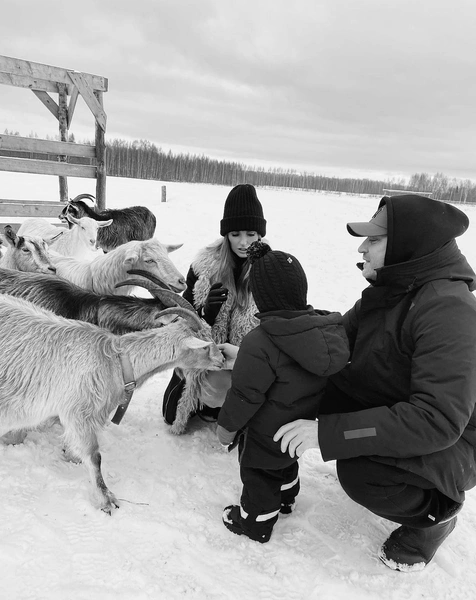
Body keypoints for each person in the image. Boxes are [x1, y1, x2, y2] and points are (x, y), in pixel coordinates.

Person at [273, 195, 476, 571]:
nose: (362, 247)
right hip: (399, 400)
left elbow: (438, 419)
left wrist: (328, 433)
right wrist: (263, 352)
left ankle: (436, 518)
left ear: (406, 246)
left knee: (364, 473)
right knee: (304, 382)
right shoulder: (392, 289)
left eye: (375, 239)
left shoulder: (448, 308)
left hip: (456, 439)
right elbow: (332, 342)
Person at [216, 241, 350, 543]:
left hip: (263, 434)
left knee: (258, 475)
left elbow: (245, 394)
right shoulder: (321, 332)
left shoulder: (260, 342)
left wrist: (226, 428)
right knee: (287, 462)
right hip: (298, 427)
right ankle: (288, 498)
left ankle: (256, 522)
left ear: (260, 298)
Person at [162, 183, 267, 429]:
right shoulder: (202, 268)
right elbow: (180, 323)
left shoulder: (271, 269)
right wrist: (203, 313)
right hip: (204, 357)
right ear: (226, 234)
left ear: (260, 234)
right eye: (235, 234)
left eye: (251, 234)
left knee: (227, 394)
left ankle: (232, 405)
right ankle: (209, 400)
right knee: (171, 416)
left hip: (247, 362)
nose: (243, 242)